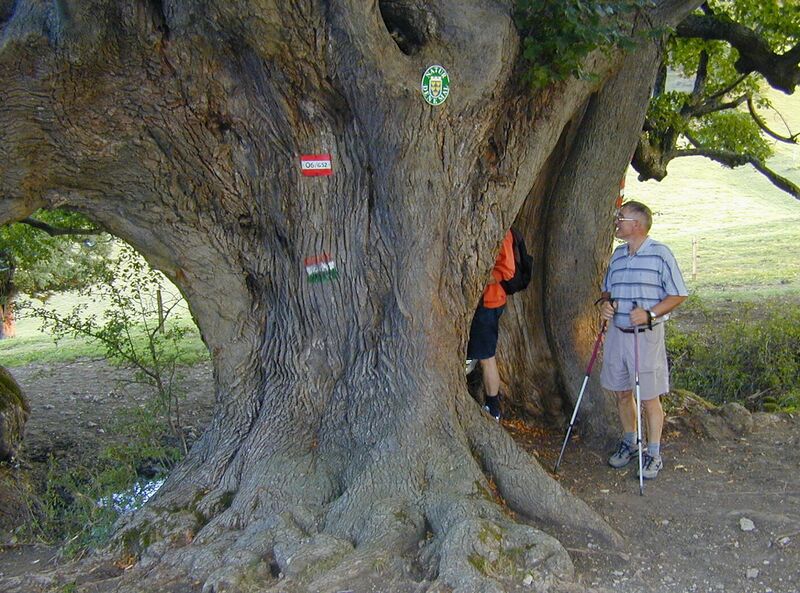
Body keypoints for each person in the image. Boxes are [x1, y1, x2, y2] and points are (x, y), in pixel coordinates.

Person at [598, 201, 687, 479]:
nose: (616, 222)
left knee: (649, 397)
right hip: (618, 334)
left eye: (620, 218)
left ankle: (654, 453)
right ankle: (630, 442)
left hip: (646, 336)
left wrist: (650, 314)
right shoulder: (618, 255)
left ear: (636, 224)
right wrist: (606, 305)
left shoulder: (660, 254)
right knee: (622, 392)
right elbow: (607, 291)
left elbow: (678, 294)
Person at [467, 230, 515, 421]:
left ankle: (493, 408)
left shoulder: (502, 232)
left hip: (489, 303)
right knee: (476, 353)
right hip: (478, 302)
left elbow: (508, 271)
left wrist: (479, 278)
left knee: (486, 357)